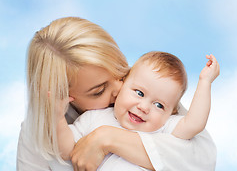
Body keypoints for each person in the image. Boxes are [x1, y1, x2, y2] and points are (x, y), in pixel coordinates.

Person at [16, 17, 217, 171]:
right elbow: (64, 148)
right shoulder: (41, 129)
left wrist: (107, 138)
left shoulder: (147, 91)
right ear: (64, 96)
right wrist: (57, 117)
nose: (120, 89)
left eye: (121, 72)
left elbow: (202, 157)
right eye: (99, 91)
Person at [54, 52, 219, 170]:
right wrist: (57, 116)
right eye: (139, 93)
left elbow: (195, 123)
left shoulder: (164, 128)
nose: (144, 107)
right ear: (122, 83)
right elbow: (67, 150)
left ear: (172, 112)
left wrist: (205, 82)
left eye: (159, 105)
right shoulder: (94, 118)